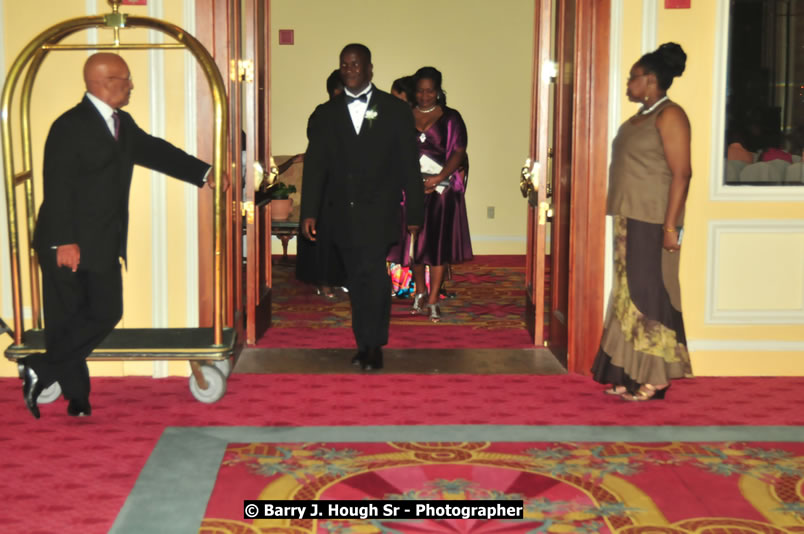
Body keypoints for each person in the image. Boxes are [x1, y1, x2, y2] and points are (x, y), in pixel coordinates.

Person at [20, 53, 217, 419]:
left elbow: (155, 150)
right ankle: (77, 398)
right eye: (125, 79)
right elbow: (57, 185)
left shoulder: (121, 123)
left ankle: (42, 369)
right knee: (66, 319)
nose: (131, 85)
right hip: (65, 243)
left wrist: (203, 172)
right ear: (104, 82)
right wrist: (64, 241)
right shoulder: (69, 125)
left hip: (105, 241)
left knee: (107, 311)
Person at [301, 43, 423, 371]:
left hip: (379, 210)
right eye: (344, 64)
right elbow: (315, 166)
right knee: (356, 279)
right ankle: (362, 342)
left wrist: (414, 212)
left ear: (370, 68)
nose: (350, 69)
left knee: (373, 275)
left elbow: (409, 165)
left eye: (356, 64)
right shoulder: (326, 114)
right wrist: (309, 211)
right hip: (341, 212)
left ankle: (375, 344)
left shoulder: (395, 111)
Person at [591, 42, 692, 402]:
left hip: (653, 221)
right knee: (626, 297)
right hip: (628, 218)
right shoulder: (640, 118)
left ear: (651, 81)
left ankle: (656, 376)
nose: (627, 84)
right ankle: (628, 371)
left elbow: (682, 174)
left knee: (649, 296)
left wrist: (669, 228)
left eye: (633, 78)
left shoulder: (671, 115)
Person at [409, 66, 473, 322]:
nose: (425, 96)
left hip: (441, 189)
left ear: (438, 91)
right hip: (411, 187)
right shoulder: (405, 115)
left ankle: (434, 297)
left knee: (436, 246)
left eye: (430, 91)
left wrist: (439, 177)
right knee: (414, 244)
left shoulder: (451, 117)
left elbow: (459, 151)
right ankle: (419, 292)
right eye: (421, 91)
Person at [295, 69, 347, 298]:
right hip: (326, 184)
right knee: (325, 235)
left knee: (344, 235)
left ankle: (341, 280)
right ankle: (324, 283)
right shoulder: (322, 114)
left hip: (346, 184)